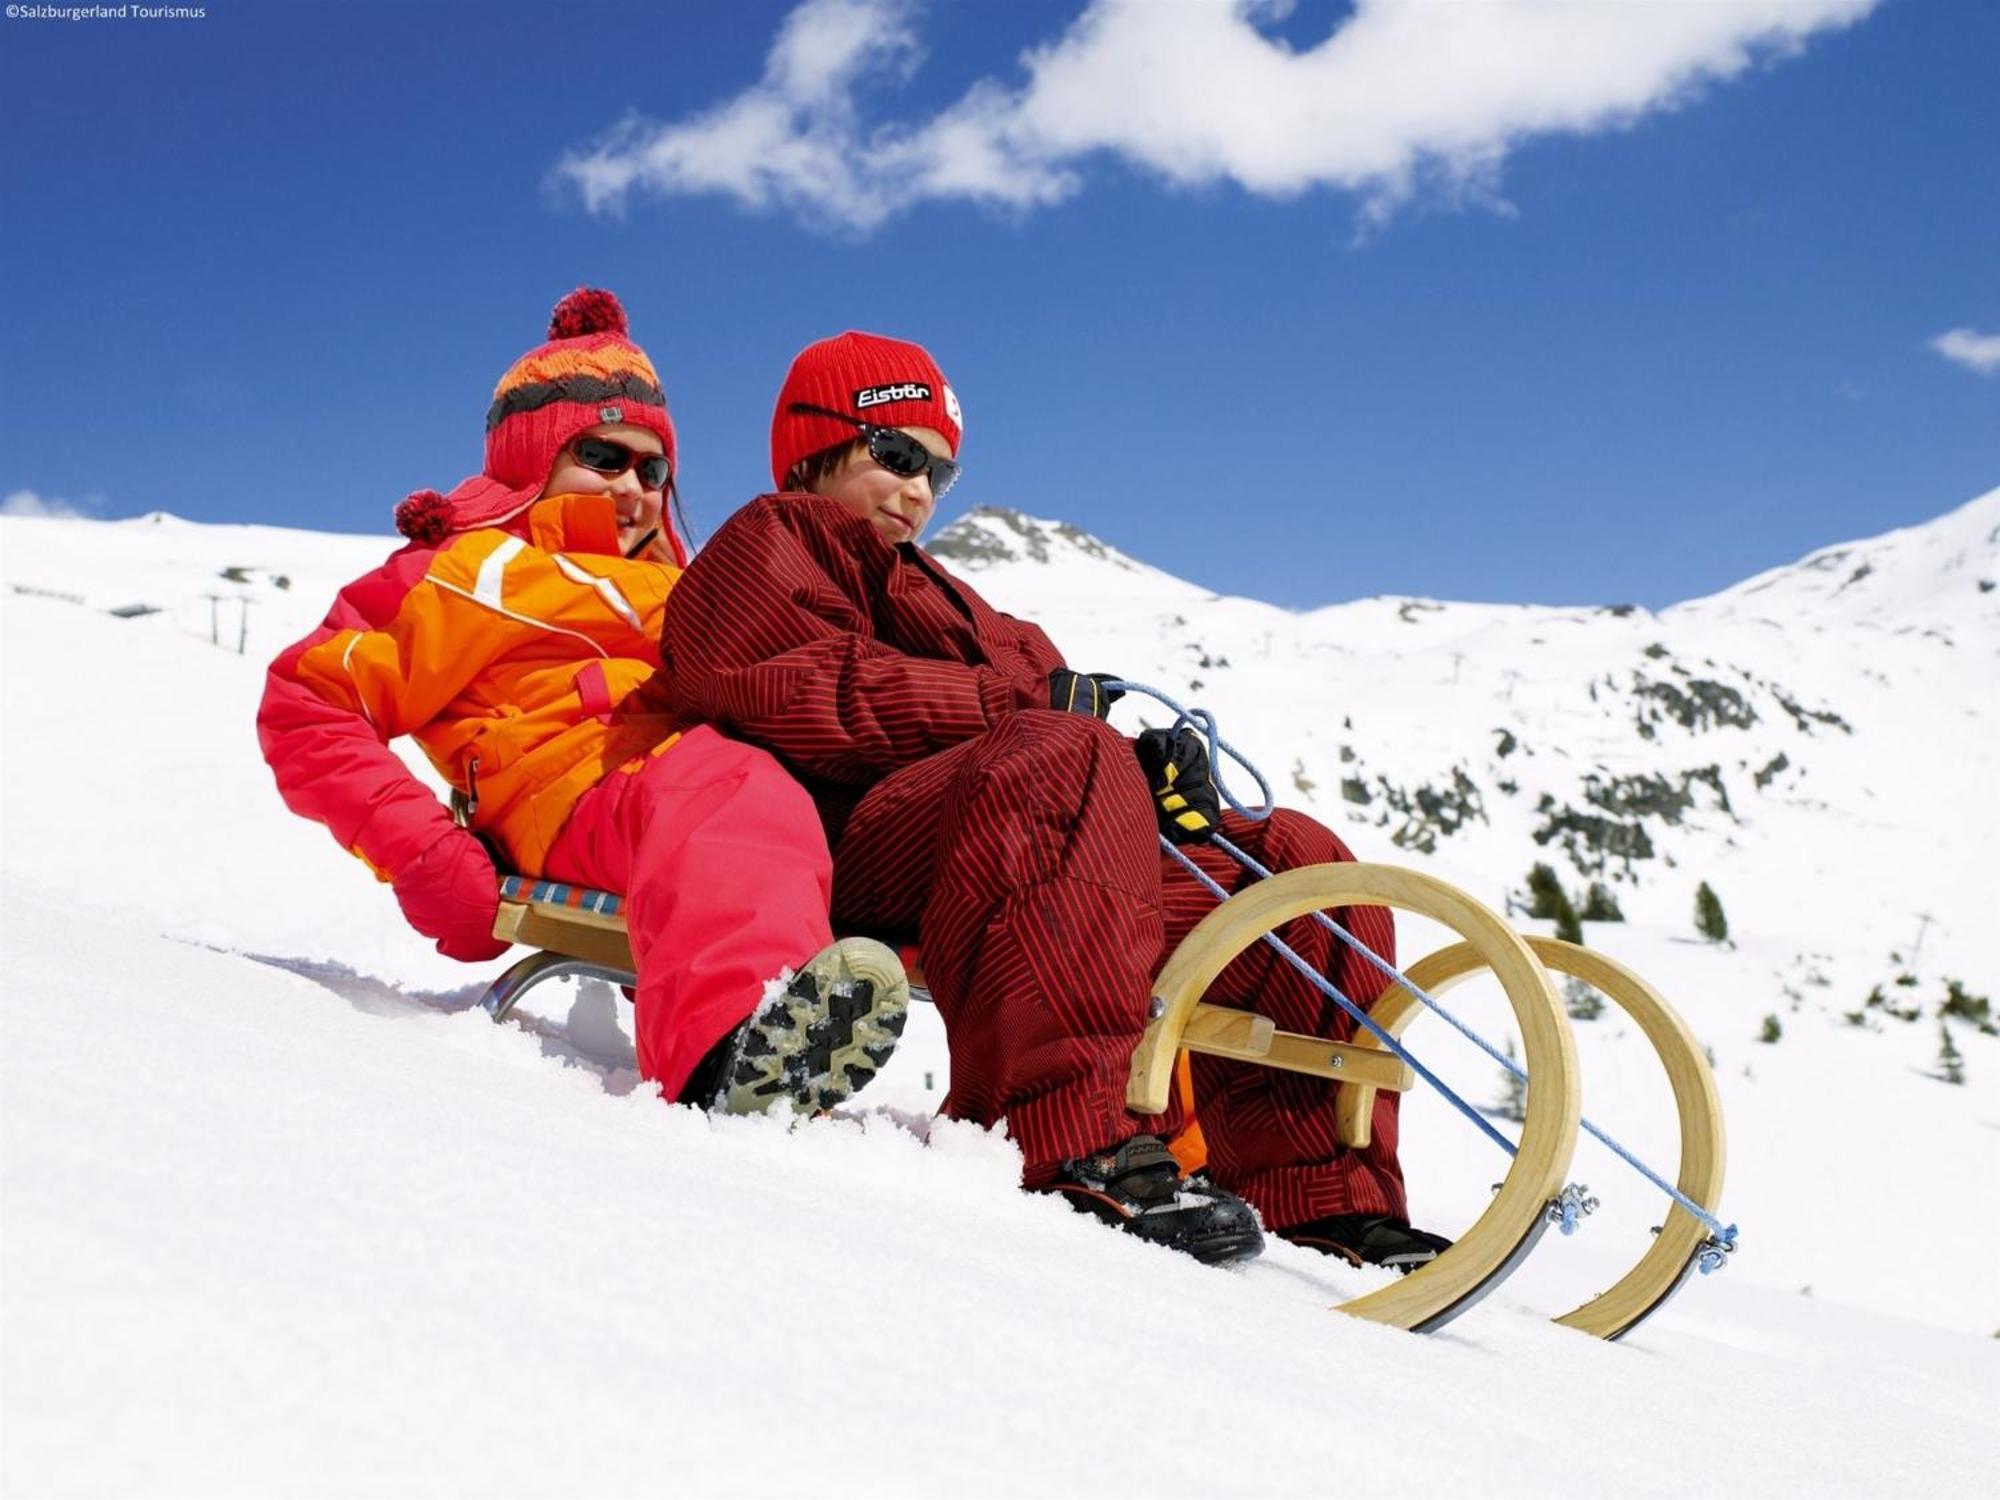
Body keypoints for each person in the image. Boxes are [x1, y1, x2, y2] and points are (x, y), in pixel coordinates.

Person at [659, 331, 1452, 1270]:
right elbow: (794, 684)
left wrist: (1158, 787)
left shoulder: (970, 608)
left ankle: (1315, 1191)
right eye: (898, 455)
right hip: (851, 849)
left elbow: (1058, 747)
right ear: (819, 443)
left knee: (1296, 863)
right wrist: (1023, 711)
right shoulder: (770, 542)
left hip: (1021, 861)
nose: (918, 492)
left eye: (940, 474)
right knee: (1061, 752)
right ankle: (1064, 1136)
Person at [257, 290, 908, 1118]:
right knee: (729, 784)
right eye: (604, 456)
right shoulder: (469, 570)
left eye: (654, 467)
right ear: (536, 459)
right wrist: (422, 854)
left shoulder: (690, 585)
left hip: (707, 799)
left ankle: (1066, 1133)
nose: (635, 487)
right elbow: (306, 705)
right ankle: (730, 1055)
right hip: (574, 796)